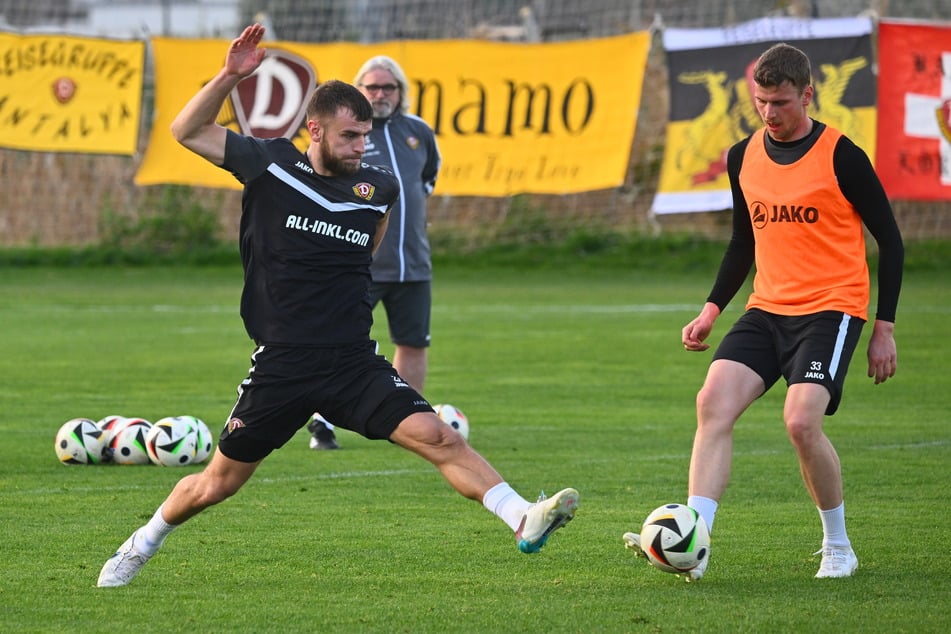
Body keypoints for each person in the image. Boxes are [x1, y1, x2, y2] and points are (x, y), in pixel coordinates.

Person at [97, 23, 579, 588]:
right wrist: (230, 76)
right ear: (315, 130)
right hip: (283, 365)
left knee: (441, 437)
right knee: (216, 484)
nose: (360, 148)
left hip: (352, 363)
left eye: (365, 137)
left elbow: (365, 252)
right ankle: (140, 543)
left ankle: (522, 515)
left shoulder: (378, 189)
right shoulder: (269, 164)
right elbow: (186, 129)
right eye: (349, 136)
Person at [622, 43, 903, 581]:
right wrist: (709, 311)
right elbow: (742, 241)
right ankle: (695, 542)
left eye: (780, 102)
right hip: (767, 308)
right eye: (760, 102)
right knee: (712, 402)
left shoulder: (842, 155)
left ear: (807, 94)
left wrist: (883, 328)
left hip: (832, 310)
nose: (770, 113)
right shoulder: (742, 155)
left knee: (800, 423)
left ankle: (838, 545)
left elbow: (890, 242)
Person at [307, 54, 441, 451]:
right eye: (372, 87)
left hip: (413, 264)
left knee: (413, 342)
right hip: (359, 265)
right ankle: (321, 421)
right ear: (358, 90)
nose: (380, 94)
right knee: (338, 343)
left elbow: (427, 180)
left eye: (388, 87)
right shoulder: (344, 134)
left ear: (401, 91)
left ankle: (408, 422)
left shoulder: (419, 132)